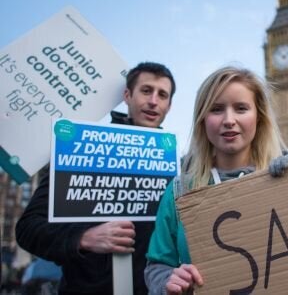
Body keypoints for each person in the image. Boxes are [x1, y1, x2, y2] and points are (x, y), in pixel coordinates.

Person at [16, 62, 176, 294]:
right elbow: (28, 229)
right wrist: (83, 238)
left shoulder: (178, 170)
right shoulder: (82, 151)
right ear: (127, 95)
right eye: (146, 90)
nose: (153, 101)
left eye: (162, 95)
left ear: (169, 106)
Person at [144, 66, 287, 295]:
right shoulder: (178, 191)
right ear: (202, 119)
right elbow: (156, 266)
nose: (229, 120)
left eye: (241, 108)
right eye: (217, 109)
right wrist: (167, 281)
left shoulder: (285, 178)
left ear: (258, 117)